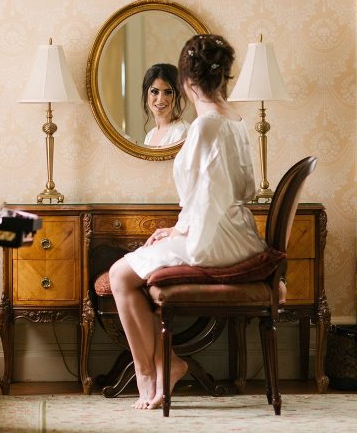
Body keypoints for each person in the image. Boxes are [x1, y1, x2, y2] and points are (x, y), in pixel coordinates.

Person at [108, 34, 267, 410]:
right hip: (241, 235)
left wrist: (180, 229)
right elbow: (240, 188)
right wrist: (179, 227)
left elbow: (197, 194)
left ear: (185, 82)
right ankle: (166, 363)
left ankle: (150, 369)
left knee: (118, 275)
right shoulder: (238, 122)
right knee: (133, 269)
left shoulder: (203, 127)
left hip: (212, 239)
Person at [141, 63, 189, 147]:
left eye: (168, 92)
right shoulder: (149, 136)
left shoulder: (183, 132)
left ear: (178, 95)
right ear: (146, 94)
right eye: (154, 92)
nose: (160, 100)